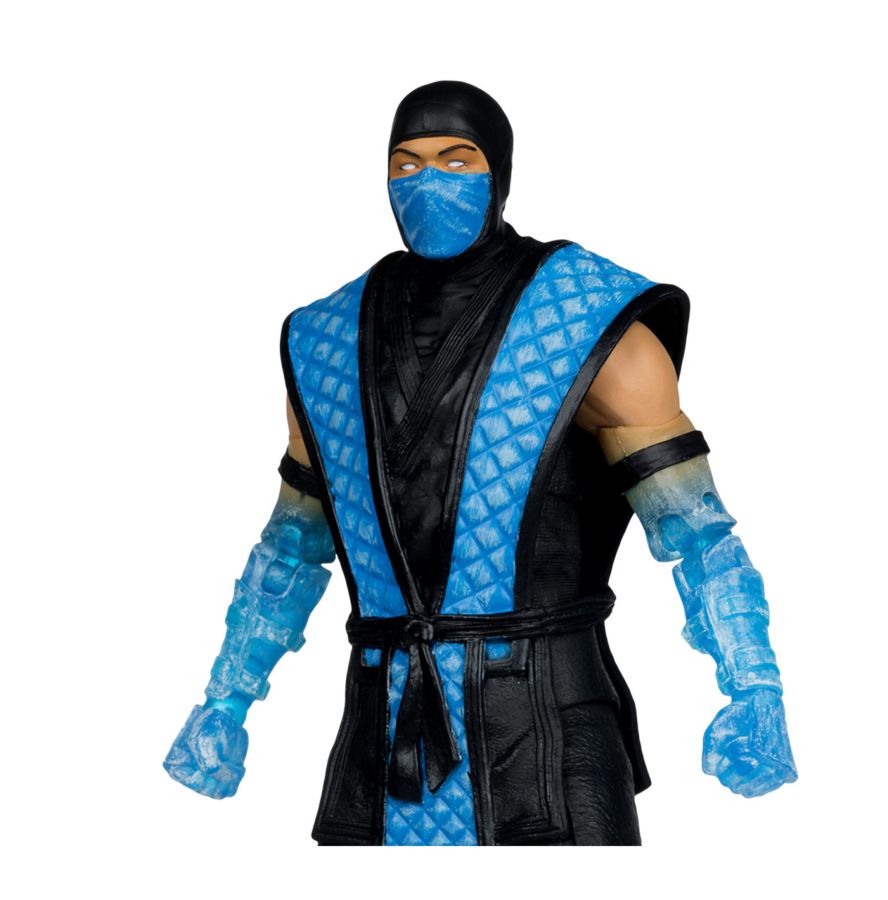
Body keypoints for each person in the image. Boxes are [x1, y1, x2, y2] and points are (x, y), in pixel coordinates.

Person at [163, 80, 797, 845]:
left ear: (499, 172)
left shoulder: (591, 321)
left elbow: (699, 535)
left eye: (456, 159)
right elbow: (291, 549)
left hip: (547, 731)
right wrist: (225, 702)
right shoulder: (327, 338)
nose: (428, 181)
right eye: (406, 164)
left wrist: (754, 687)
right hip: (382, 736)